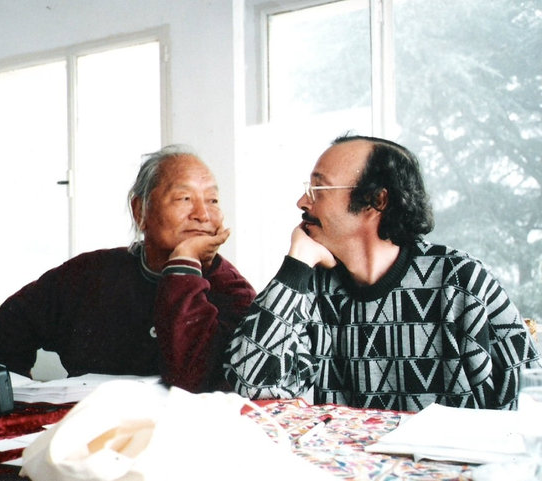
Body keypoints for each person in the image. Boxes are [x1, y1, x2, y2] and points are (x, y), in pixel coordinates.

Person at [225, 134, 540, 411]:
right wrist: (296, 266)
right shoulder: (311, 288)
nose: (302, 201)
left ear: (377, 200)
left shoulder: (460, 281)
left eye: (318, 188)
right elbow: (251, 385)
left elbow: (530, 395)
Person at [0, 144, 256, 393]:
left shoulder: (235, 293)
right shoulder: (90, 274)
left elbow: (191, 380)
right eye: (184, 198)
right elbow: (12, 321)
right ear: (139, 210)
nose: (203, 214)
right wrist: (14, 392)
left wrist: (184, 264)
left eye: (213, 200)